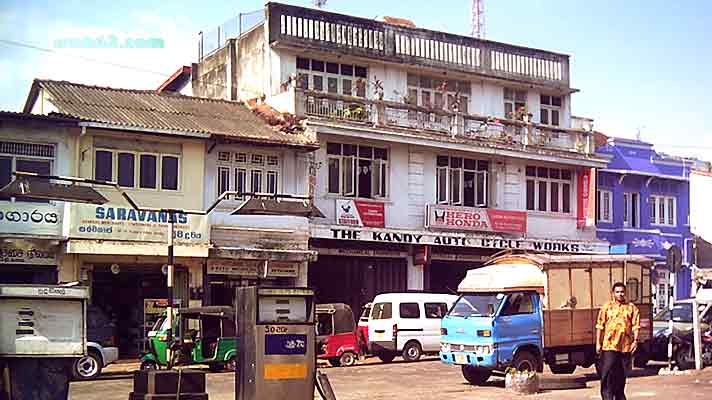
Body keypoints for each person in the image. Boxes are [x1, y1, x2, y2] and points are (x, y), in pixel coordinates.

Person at [595, 282, 640, 400]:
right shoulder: (606, 307)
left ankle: (619, 396)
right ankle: (607, 397)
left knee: (621, 375)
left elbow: (636, 326)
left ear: (625, 293)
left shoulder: (632, 308)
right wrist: (598, 343)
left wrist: (635, 341)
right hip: (609, 346)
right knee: (607, 373)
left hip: (625, 346)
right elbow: (600, 326)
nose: (620, 294)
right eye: (617, 292)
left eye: (622, 292)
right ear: (613, 293)